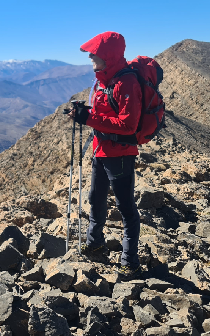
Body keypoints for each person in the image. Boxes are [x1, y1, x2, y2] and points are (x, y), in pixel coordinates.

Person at [68, 31, 142, 280]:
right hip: (101, 149)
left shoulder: (126, 82)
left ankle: (130, 262)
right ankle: (95, 242)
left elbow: (128, 125)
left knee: (125, 208)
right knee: (95, 197)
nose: (90, 57)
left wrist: (88, 118)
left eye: (94, 54)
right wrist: (84, 112)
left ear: (108, 57)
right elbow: (105, 114)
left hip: (120, 154)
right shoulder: (104, 79)